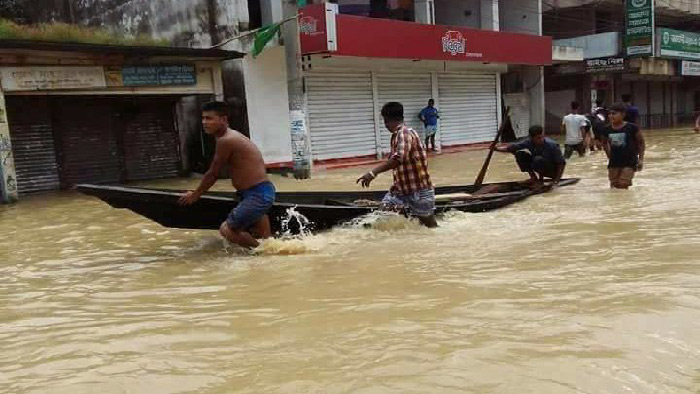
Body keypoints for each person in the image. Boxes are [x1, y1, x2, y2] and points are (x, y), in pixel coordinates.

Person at [178, 101, 275, 248]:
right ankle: (271, 253)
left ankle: (262, 253)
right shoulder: (229, 137)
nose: (204, 122)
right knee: (266, 239)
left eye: (209, 118)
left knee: (227, 230)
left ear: (223, 120)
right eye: (203, 118)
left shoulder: (227, 140)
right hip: (257, 192)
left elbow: (213, 173)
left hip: (257, 194)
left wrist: (195, 195)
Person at [357, 102, 437, 228]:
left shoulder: (403, 133)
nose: (385, 125)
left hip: (418, 191)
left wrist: (373, 173)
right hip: (401, 191)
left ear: (387, 120)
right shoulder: (398, 135)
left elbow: (398, 159)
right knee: (382, 212)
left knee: (429, 226)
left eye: (385, 121)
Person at [495, 125, 566, 187]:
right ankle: (534, 178)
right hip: (538, 164)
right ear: (531, 138)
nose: (540, 140)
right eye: (537, 138)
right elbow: (511, 148)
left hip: (552, 171)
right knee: (520, 154)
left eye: (541, 137)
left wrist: (556, 181)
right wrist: (495, 149)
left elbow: (562, 163)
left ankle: (540, 181)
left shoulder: (552, 145)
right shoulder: (529, 142)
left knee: (538, 159)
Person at [602, 103, 646, 189]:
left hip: (630, 161)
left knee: (623, 184)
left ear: (623, 115)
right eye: (609, 114)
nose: (611, 116)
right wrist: (609, 155)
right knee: (614, 185)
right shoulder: (606, 129)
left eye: (614, 113)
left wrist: (640, 160)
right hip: (614, 162)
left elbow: (641, 143)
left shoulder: (632, 127)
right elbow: (604, 143)